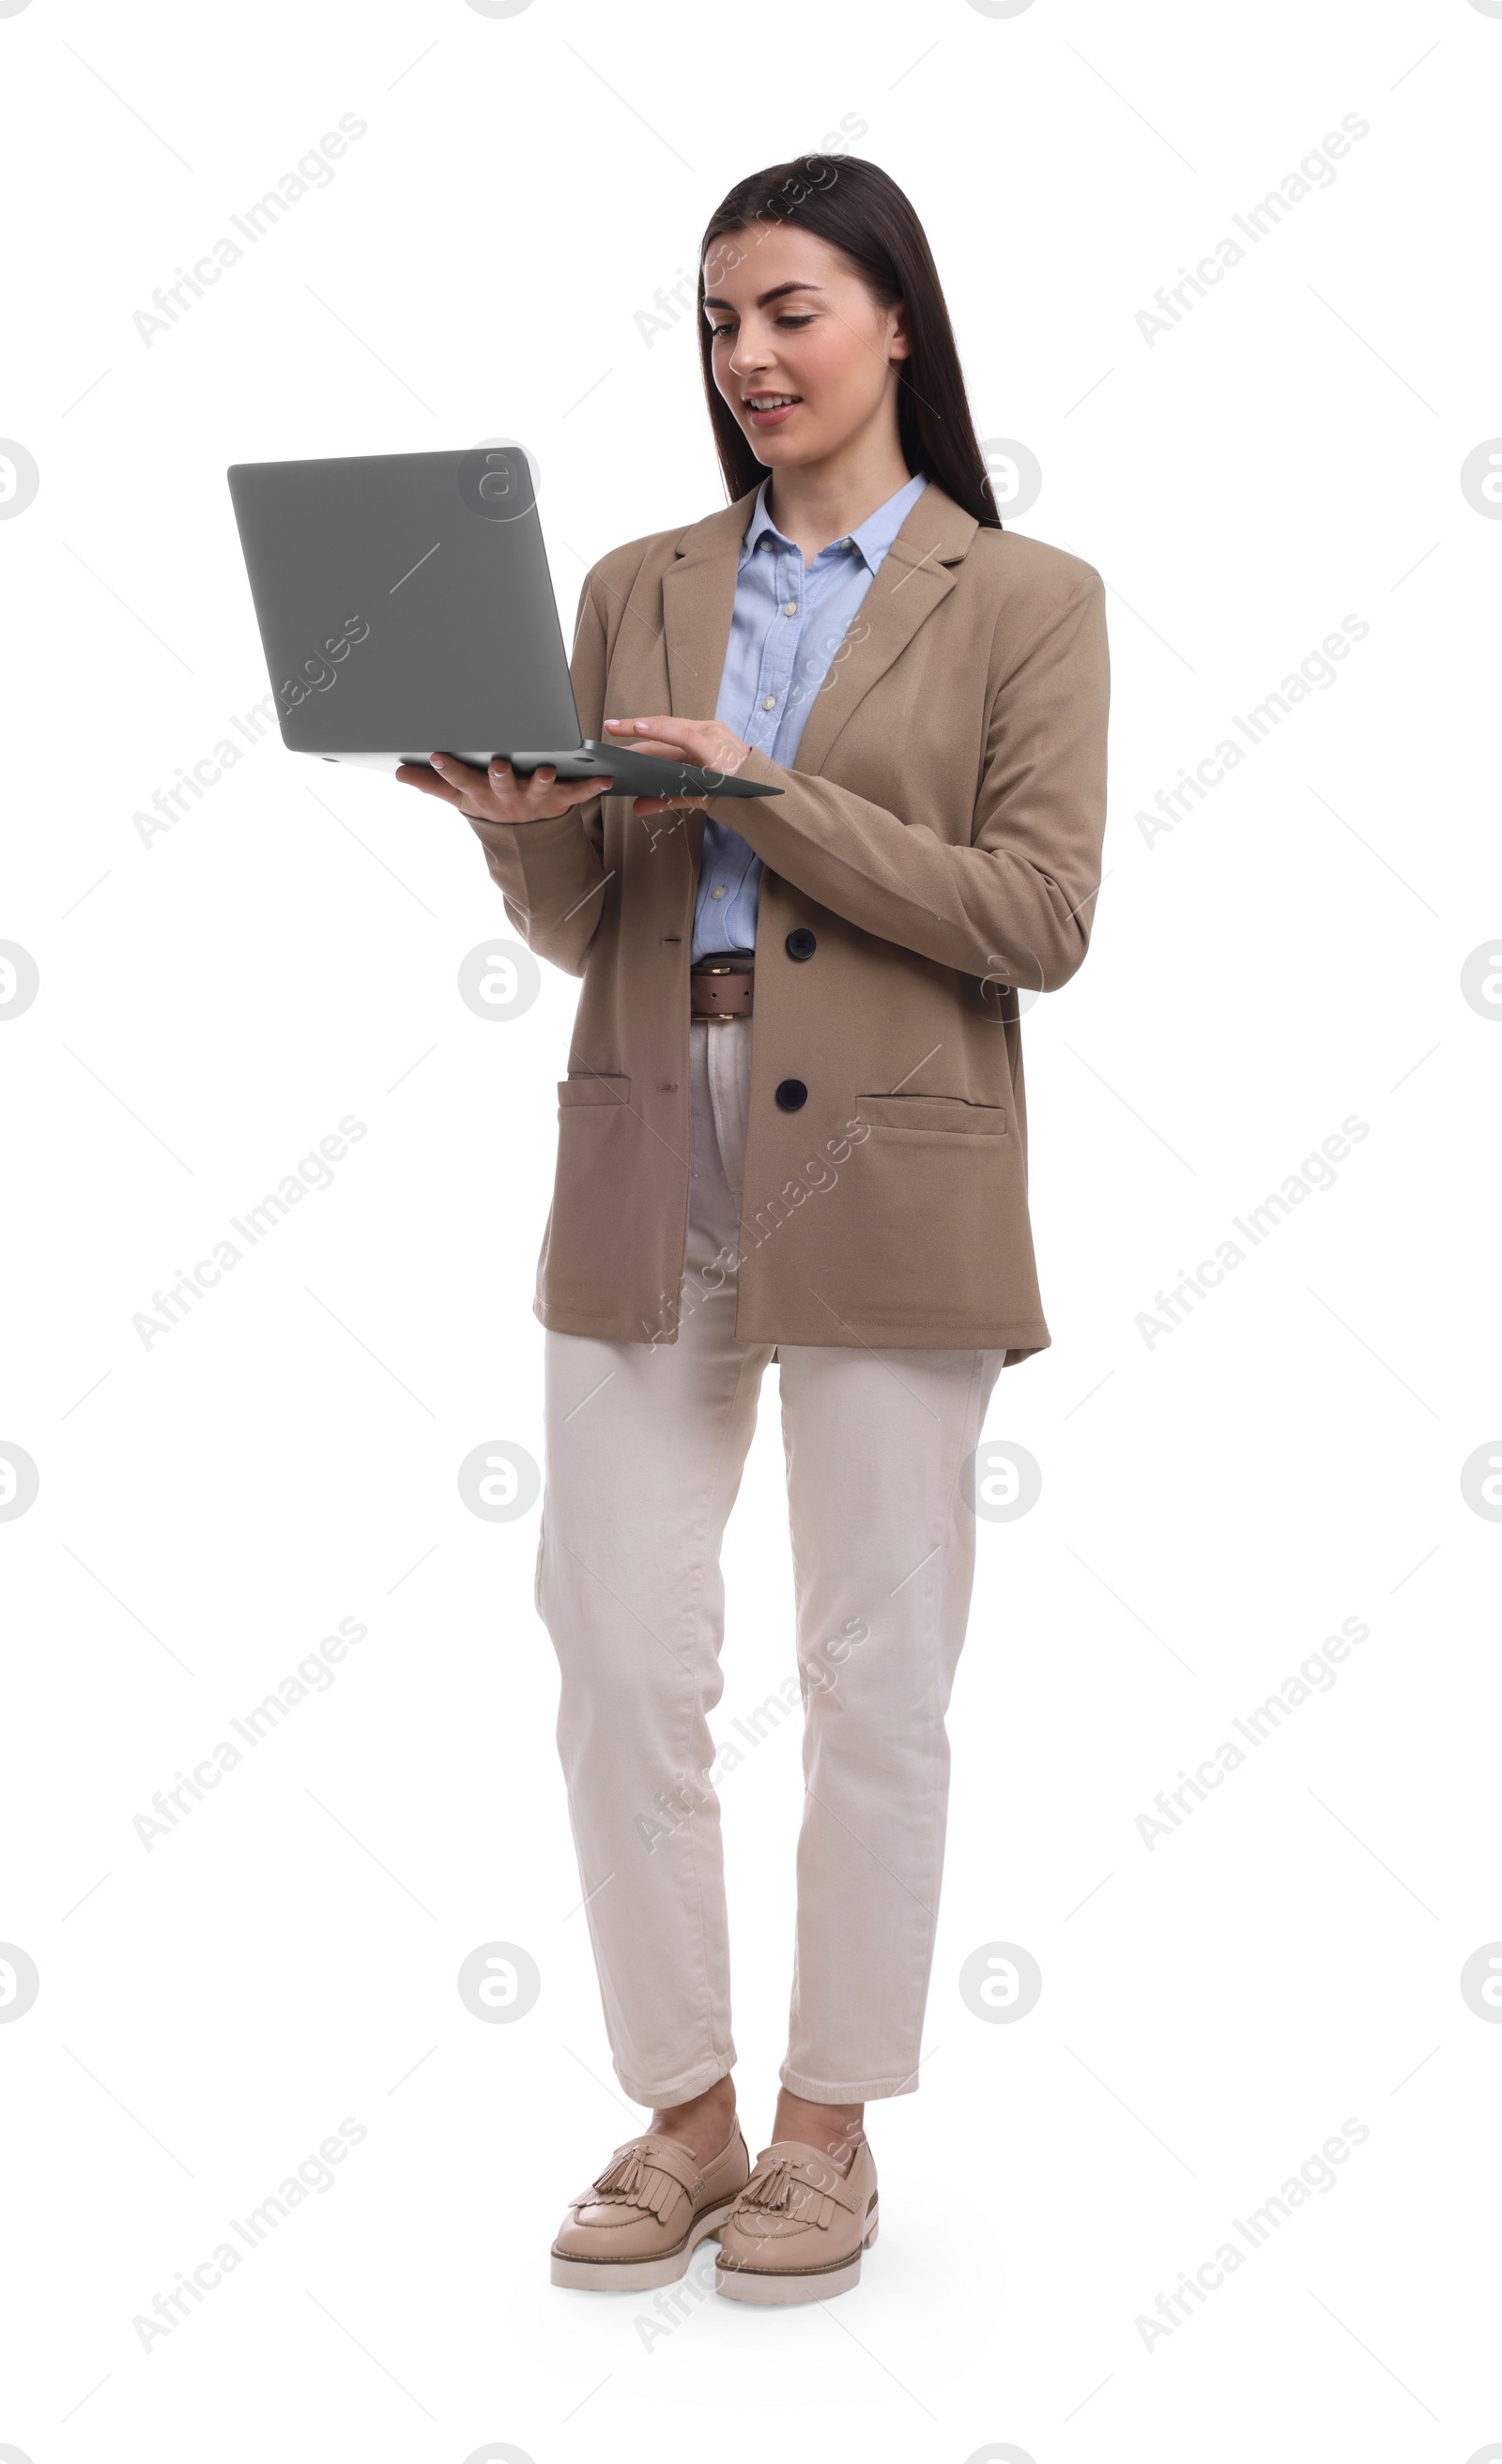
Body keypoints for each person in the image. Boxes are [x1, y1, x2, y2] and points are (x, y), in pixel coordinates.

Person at [399, 153, 1109, 2305]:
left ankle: (825, 2131)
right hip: (646, 1137)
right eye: (716, 323)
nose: (750, 358)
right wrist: (526, 838)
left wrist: (764, 789)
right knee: (615, 1653)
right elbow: (590, 914)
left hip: (892, 1156)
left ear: (896, 318)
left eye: (790, 310)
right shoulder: (632, 580)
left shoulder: (1023, 596)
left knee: (873, 1675)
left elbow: (1039, 918)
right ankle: (686, 2111)